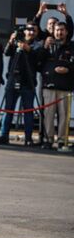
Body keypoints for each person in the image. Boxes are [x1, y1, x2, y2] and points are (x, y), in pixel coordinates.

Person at [0, 23, 40, 146]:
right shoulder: (16, 42)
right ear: (24, 31)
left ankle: (28, 138)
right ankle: (4, 135)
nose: (30, 32)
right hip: (13, 80)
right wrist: (11, 41)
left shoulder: (37, 45)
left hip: (28, 82)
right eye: (28, 30)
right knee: (8, 109)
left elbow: (38, 58)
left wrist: (27, 49)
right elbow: (7, 52)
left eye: (32, 30)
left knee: (28, 111)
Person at [37, 21, 74, 150]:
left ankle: (62, 140)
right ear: (53, 32)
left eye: (62, 30)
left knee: (64, 115)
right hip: (49, 86)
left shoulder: (71, 46)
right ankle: (48, 139)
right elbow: (38, 63)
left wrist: (68, 69)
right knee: (48, 114)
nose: (59, 32)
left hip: (65, 87)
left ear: (67, 32)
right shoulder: (48, 45)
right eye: (57, 30)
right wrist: (45, 47)